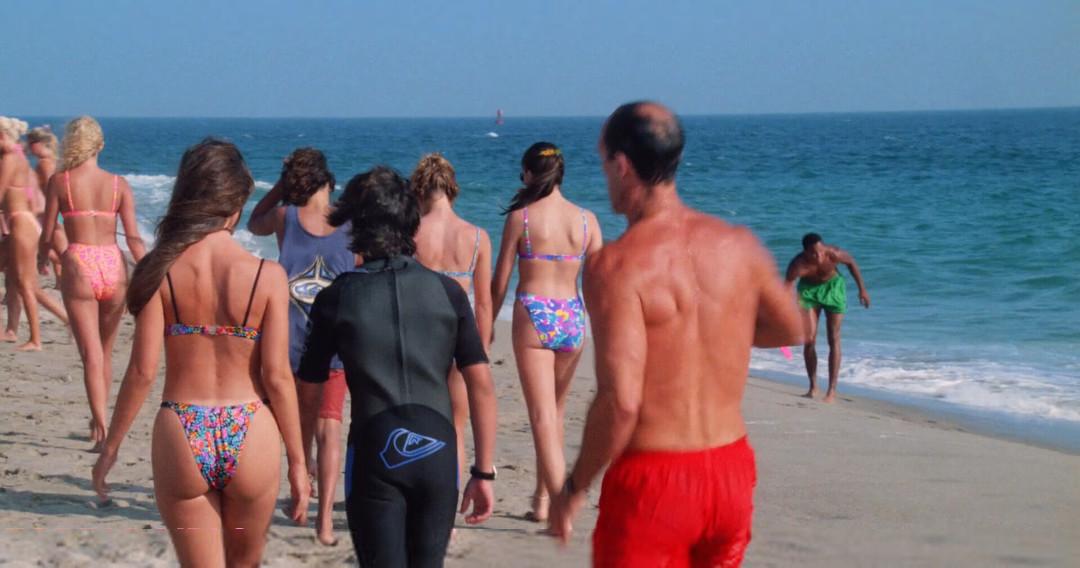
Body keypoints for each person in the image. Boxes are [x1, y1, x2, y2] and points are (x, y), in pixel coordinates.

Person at [548, 102, 804, 567]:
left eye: (603, 162)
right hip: (730, 472)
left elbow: (621, 402)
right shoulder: (739, 245)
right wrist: (721, 328)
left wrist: (574, 487)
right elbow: (793, 327)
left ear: (621, 165)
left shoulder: (617, 266)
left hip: (655, 480)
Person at [91, 139, 310, 567]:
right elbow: (277, 376)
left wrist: (111, 447)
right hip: (250, 429)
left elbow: (142, 372)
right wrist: (299, 463)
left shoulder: (160, 269)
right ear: (237, 204)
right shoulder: (267, 276)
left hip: (182, 429)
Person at [298, 166, 496, 566]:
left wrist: (301, 463)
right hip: (438, 453)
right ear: (411, 221)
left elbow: (309, 390)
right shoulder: (448, 293)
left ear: (354, 224)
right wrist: (482, 472)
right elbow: (481, 385)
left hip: (376, 451)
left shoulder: (337, 298)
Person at [247, 147, 354, 546]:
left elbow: (253, 222)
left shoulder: (284, 217)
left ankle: (300, 497)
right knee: (330, 428)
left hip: (289, 340)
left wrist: (280, 186)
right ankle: (324, 521)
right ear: (329, 181)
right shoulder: (351, 223)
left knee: (298, 429)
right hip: (336, 343)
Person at [491, 142, 602, 522]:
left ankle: (558, 503)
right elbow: (599, 284)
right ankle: (540, 500)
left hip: (535, 313)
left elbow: (500, 281)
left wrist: (486, 324)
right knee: (555, 412)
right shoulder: (587, 220)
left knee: (541, 415)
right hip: (573, 316)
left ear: (528, 174)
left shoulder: (521, 219)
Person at [37, 116, 146, 450]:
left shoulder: (60, 182)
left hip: (79, 261)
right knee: (106, 352)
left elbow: (47, 231)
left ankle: (100, 424)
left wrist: (43, 258)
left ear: (71, 144)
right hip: (113, 264)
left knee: (91, 354)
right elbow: (133, 237)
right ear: (100, 145)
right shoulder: (118, 184)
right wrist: (148, 268)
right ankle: (101, 426)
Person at [410, 152, 494, 490]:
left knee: (418, 420)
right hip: (461, 333)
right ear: (452, 189)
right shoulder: (477, 236)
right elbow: (484, 303)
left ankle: (420, 491)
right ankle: (449, 497)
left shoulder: (412, 233)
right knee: (456, 423)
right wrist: (480, 350)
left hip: (419, 334)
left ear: (419, 190)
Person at [0, 115, 68, 351]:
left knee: (25, 283)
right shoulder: (17, 157)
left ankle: (35, 340)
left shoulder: (11, 158)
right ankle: (65, 319)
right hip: (21, 222)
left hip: (21, 223)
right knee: (21, 281)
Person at [784, 232, 870, 402]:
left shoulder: (833, 254)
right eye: (814, 253)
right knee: (809, 340)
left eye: (821, 251)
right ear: (805, 252)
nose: (819, 256)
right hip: (808, 291)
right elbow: (787, 287)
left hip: (833, 288)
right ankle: (813, 386)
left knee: (833, 338)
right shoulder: (797, 265)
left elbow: (851, 263)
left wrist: (862, 290)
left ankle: (831, 390)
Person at [27, 126, 68, 277]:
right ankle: (60, 280)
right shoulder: (55, 160)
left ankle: (78, 277)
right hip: (55, 212)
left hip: (51, 212)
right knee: (57, 249)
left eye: (31, 143)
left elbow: (50, 190)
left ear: (41, 143)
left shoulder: (44, 163)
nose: (29, 147)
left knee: (61, 252)